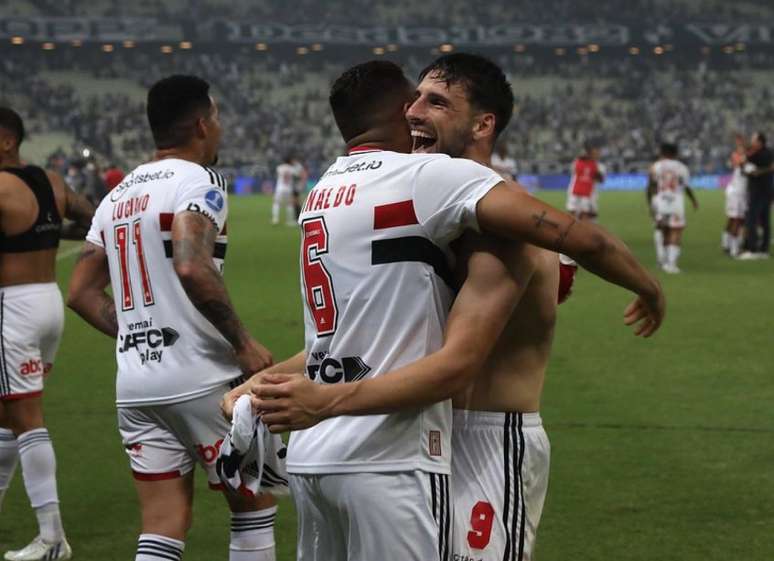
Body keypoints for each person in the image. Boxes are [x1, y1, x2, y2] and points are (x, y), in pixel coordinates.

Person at [224, 60, 663, 561]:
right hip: (412, 429)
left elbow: (580, 242)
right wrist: (257, 388)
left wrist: (647, 287)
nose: (414, 113)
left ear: (483, 124)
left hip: (489, 440)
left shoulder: (505, 222)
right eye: (415, 99)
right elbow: (358, 339)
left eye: (436, 102)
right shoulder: (426, 215)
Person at [66, 76, 277, 561]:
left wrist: (142, 332)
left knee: (162, 523)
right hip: (204, 378)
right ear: (202, 124)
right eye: (217, 119)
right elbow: (190, 263)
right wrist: (242, 342)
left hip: (137, 386)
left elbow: (79, 292)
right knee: (253, 508)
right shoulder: (199, 181)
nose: (220, 130)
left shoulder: (117, 196)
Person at [0, 106, 95, 561]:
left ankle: (52, 536)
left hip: (12, 307)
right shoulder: (52, 181)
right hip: (47, 304)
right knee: (7, 414)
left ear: (6, 141)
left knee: (25, 416)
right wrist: (56, 231)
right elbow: (92, 219)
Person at [647, 142, 698, 273]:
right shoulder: (682, 168)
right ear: (675, 153)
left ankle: (662, 261)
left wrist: (651, 203)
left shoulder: (655, 166)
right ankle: (671, 264)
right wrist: (693, 200)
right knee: (675, 231)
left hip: (660, 202)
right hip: (676, 203)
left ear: (662, 153)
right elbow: (686, 186)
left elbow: (651, 185)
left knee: (663, 230)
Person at [738, 131, 773, 259]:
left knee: (752, 220)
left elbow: (746, 165)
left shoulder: (760, 155)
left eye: (753, 140)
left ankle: (752, 249)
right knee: (765, 221)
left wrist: (744, 162)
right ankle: (764, 250)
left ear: (759, 142)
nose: (752, 142)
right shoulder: (768, 153)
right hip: (767, 191)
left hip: (758, 191)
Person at [722, 134, 749, 258]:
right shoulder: (739, 159)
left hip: (740, 193)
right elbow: (739, 163)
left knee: (736, 220)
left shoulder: (745, 158)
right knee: (736, 220)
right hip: (736, 193)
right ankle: (733, 249)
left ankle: (727, 244)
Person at [566, 143, 605, 221]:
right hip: (575, 191)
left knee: (589, 217)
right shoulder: (578, 161)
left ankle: (586, 230)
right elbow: (574, 170)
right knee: (572, 213)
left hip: (590, 194)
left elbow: (601, 180)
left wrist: (596, 173)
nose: (597, 154)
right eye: (594, 153)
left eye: (597, 152)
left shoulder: (599, 166)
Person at [271, 155, 298, 226]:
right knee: (289, 204)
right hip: (288, 188)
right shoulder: (292, 168)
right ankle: (290, 221)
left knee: (276, 203)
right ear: (290, 161)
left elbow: (278, 173)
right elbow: (297, 175)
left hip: (280, 188)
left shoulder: (279, 167)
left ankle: (275, 219)